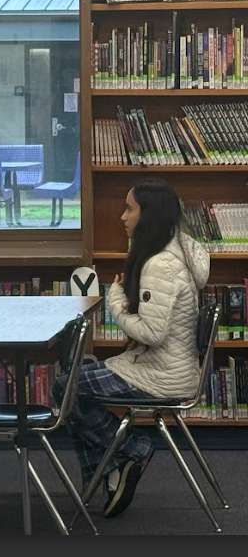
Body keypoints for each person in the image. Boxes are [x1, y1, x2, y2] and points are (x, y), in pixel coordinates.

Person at [53, 178, 210, 518]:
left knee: (66, 388)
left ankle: (128, 450)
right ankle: (110, 475)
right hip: (163, 368)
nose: (122, 217)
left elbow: (152, 333)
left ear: (148, 215)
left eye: (129, 209)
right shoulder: (176, 253)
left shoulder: (160, 265)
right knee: (74, 380)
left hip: (161, 377)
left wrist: (117, 304)